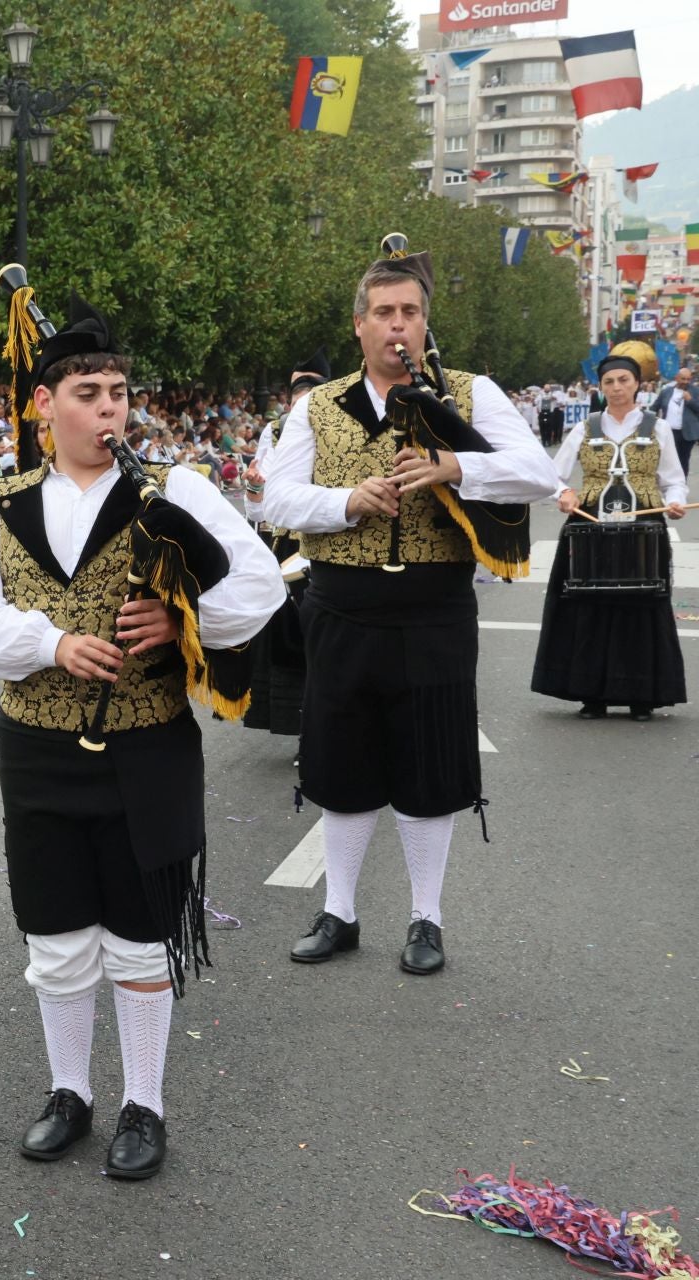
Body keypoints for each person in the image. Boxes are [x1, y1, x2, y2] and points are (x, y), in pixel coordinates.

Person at [0, 296, 283, 1182]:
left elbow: (258, 584)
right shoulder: (4, 503)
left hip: (148, 744)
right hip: (37, 747)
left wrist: (183, 623)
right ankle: (69, 1093)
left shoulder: (174, 490)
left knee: (140, 934)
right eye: (89, 393)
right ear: (45, 406)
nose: (109, 409)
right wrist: (51, 643)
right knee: (55, 935)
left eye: (119, 393)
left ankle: (144, 1103)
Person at [261, 240, 556, 977]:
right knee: (341, 760)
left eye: (411, 312)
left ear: (426, 324)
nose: (399, 325)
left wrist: (456, 465)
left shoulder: (470, 391)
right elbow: (275, 499)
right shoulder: (317, 406)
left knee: (428, 762)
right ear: (360, 325)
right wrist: (345, 501)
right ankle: (342, 912)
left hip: (434, 607)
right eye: (385, 312)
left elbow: (539, 474)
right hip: (341, 606)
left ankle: (427, 918)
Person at [531, 351, 686, 720]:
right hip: (589, 525)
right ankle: (591, 694)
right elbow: (553, 474)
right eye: (609, 382)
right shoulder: (585, 427)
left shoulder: (658, 427)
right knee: (587, 603)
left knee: (642, 604)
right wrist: (564, 494)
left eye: (624, 380)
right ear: (600, 387)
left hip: (644, 525)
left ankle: (641, 696)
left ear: (637, 385)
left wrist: (676, 502)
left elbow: (674, 480)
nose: (616, 388)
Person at [238, 349, 331, 741]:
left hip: (325, 544)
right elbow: (258, 508)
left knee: (324, 638)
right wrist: (255, 487)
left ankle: (328, 722)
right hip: (283, 548)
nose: (300, 403)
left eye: (309, 393)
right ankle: (299, 722)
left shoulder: (338, 433)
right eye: (296, 395)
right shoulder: (274, 432)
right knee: (288, 640)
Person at [649, 366, 697, 476]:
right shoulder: (666, 392)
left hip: (686, 434)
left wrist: (690, 401)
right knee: (666, 460)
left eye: (688, 379)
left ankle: (681, 486)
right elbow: (654, 408)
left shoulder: (695, 392)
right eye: (683, 379)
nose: (685, 382)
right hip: (669, 432)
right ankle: (667, 485)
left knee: (683, 461)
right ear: (676, 378)